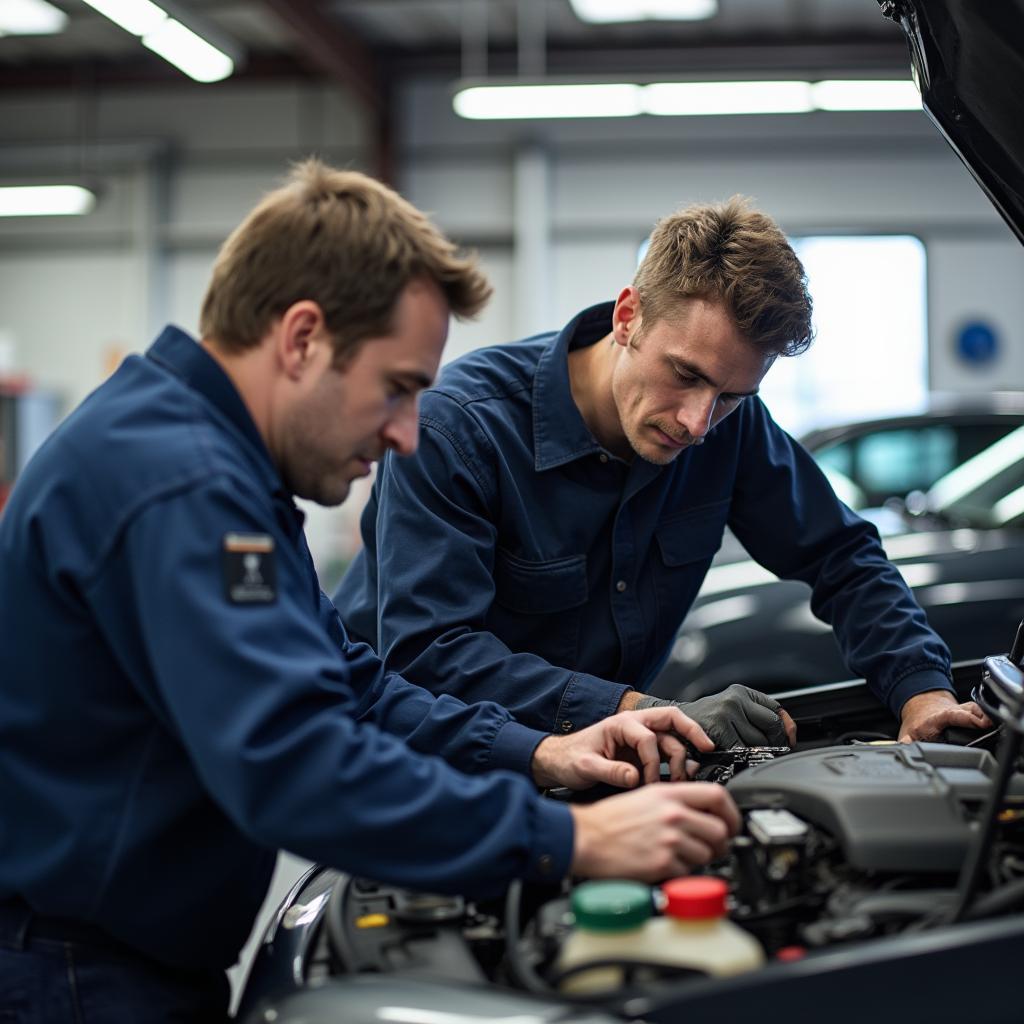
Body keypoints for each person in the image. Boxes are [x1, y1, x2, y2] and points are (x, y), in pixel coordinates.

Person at [0, 162, 742, 1023]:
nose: (405, 432)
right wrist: (570, 840)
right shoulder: (183, 486)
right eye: (397, 388)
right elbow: (296, 766)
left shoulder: (214, 466)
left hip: (112, 961)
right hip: (72, 980)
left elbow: (348, 681)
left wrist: (541, 751)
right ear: (303, 337)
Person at [335, 195, 991, 747]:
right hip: (416, 765)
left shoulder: (728, 427)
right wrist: (631, 711)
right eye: (685, 375)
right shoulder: (458, 429)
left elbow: (840, 556)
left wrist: (922, 692)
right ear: (628, 317)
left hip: (585, 764)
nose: (698, 423)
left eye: (732, 397)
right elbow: (428, 656)